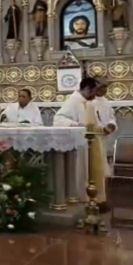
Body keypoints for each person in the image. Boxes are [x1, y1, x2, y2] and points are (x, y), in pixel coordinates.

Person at [54, 77, 113, 210]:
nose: (94, 95)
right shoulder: (73, 101)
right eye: (93, 91)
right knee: (83, 173)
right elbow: (58, 119)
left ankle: (97, 200)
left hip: (93, 142)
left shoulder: (89, 102)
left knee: (95, 172)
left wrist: (103, 128)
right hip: (80, 144)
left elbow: (94, 122)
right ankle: (84, 200)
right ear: (87, 89)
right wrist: (78, 126)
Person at [92, 78, 116, 177]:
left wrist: (112, 125)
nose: (104, 90)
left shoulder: (105, 102)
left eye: (106, 87)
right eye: (102, 87)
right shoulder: (88, 101)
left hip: (104, 138)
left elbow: (112, 118)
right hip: (93, 139)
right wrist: (102, 128)